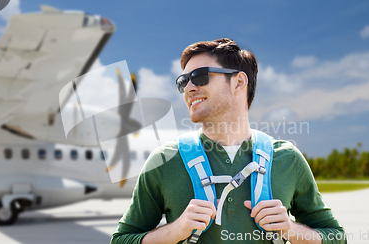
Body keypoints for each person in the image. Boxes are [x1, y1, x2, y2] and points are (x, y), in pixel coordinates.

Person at [111, 38, 346, 244]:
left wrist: (291, 229)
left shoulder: (288, 158)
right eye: (183, 81)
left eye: (200, 76)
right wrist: (173, 232)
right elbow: (121, 240)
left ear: (238, 83)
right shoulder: (164, 160)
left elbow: (336, 237)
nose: (189, 88)